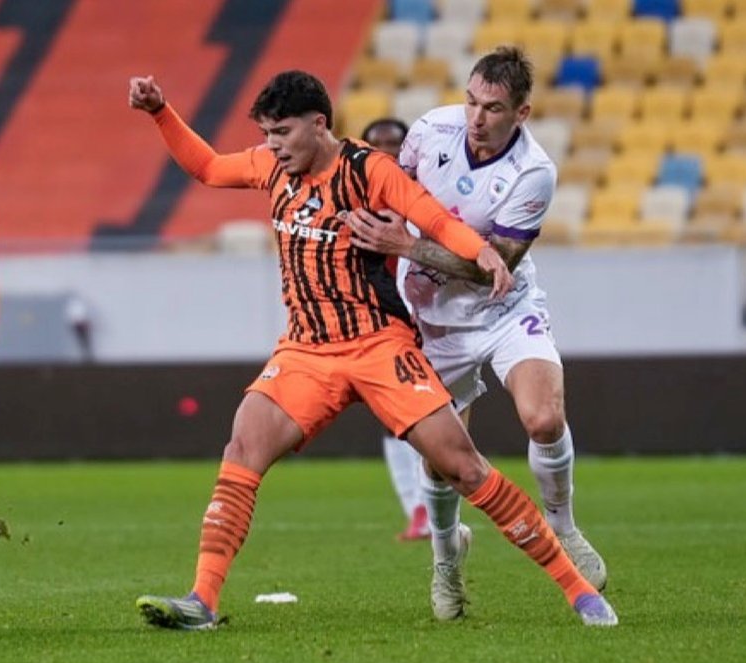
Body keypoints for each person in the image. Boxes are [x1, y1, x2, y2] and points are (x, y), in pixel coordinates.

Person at [128, 69, 618, 630]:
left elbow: (433, 219)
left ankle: (579, 591)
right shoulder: (270, 167)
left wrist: (481, 252)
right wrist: (160, 111)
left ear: (319, 124)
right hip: (307, 350)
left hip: (379, 344)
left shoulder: (369, 170)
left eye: (282, 132)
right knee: (242, 448)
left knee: (462, 466)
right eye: (266, 134)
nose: (272, 145)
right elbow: (210, 167)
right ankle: (203, 600)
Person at [345, 47, 607, 621]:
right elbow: (391, 196)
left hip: (504, 309)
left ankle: (563, 526)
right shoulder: (429, 131)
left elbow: (495, 266)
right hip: (432, 318)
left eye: (492, 108)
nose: (476, 118)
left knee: (544, 418)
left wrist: (406, 245)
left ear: (522, 112)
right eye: (471, 102)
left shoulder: (534, 173)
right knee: (442, 458)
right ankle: (447, 559)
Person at [361, 117, 429, 541]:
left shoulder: (424, 197)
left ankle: (436, 501)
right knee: (393, 414)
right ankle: (417, 509)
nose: (385, 152)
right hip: (384, 319)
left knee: (435, 410)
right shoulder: (353, 199)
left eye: (394, 144)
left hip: (434, 313)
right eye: (376, 145)